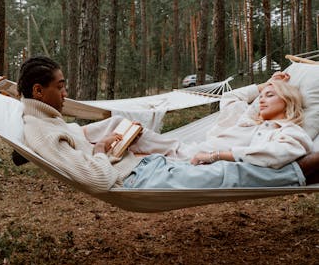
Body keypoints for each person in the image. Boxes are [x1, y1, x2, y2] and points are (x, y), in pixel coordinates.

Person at [18, 56, 319, 192]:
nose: (66, 93)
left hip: (153, 163)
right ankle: (303, 171)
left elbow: (70, 139)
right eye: (61, 87)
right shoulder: (42, 130)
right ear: (38, 92)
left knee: (123, 124)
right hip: (142, 170)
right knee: (225, 175)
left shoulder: (44, 121)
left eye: (270, 96)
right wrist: (101, 150)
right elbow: (95, 178)